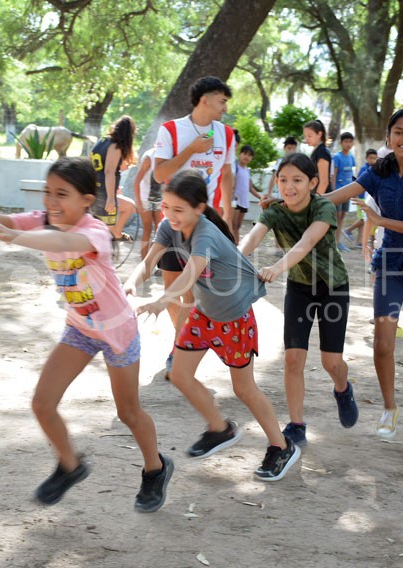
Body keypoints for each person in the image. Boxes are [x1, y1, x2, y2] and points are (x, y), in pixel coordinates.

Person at [0, 157, 173, 512]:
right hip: (80, 328)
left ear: (87, 201)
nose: (51, 202)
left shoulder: (94, 232)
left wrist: (18, 236)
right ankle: (70, 464)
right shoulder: (42, 221)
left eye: (62, 194)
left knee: (129, 412)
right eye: (47, 192)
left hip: (117, 330)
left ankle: (156, 468)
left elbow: (61, 242)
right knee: (42, 404)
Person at [125, 169, 301, 481]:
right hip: (204, 314)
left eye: (178, 209)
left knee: (244, 388)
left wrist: (162, 301)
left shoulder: (205, 234)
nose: (170, 215)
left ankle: (282, 445)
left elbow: (191, 274)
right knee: (178, 374)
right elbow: (149, 260)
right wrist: (130, 282)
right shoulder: (170, 226)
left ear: (199, 208)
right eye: (165, 207)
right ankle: (220, 428)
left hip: (234, 318)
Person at [322, 109, 403, 439]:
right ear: (389, 136)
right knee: (382, 342)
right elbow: (339, 195)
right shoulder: (377, 171)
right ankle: (389, 408)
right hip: (390, 264)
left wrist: (383, 222)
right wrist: (295, 201)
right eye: (399, 132)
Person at [238, 153, 358, 446]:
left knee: (332, 363)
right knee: (293, 359)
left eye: (297, 180)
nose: (288, 187)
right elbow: (252, 237)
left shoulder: (323, 207)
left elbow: (305, 244)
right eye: (282, 180)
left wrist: (276, 268)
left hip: (333, 288)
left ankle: (342, 388)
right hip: (300, 289)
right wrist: (235, 261)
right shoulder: (275, 211)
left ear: (313, 183)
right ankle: (296, 425)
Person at [153, 76, 237, 375]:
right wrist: (190, 150)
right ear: (204, 100)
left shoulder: (226, 134)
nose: (225, 106)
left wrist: (227, 213)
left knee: (196, 292)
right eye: (222, 100)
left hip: (207, 224)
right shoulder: (172, 130)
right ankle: (181, 345)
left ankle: (182, 350)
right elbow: (160, 174)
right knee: (173, 289)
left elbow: (226, 173)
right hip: (173, 222)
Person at [90, 115, 137, 242]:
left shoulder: (102, 141)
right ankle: (114, 235)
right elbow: (109, 172)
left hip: (95, 189)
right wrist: (110, 198)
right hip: (103, 194)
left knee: (129, 206)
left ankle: (117, 232)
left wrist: (114, 190)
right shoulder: (115, 147)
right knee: (104, 235)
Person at [133, 147, 163, 259]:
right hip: (146, 197)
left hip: (160, 198)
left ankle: (155, 260)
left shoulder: (169, 155)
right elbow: (136, 182)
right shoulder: (149, 157)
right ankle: (144, 260)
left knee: (160, 230)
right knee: (147, 228)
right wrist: (138, 203)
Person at [231, 145, 262, 244]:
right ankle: (236, 245)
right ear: (240, 154)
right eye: (245, 154)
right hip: (235, 200)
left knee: (238, 225)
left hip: (244, 201)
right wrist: (232, 193)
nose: (246, 157)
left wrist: (261, 197)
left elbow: (250, 188)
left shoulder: (247, 171)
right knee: (233, 225)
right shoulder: (235, 167)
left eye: (249, 155)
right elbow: (231, 182)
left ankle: (236, 245)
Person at [331, 132, 357, 250]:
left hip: (348, 192)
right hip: (338, 192)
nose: (348, 144)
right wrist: (333, 190)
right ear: (341, 143)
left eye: (350, 141)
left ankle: (338, 242)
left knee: (342, 216)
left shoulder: (351, 157)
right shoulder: (337, 157)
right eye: (346, 141)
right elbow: (334, 174)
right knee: (336, 216)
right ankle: (334, 242)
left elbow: (351, 174)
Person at [303, 120, 332, 197]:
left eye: (309, 136)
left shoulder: (322, 152)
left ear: (319, 134)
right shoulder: (317, 151)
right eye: (305, 136)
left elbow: (324, 182)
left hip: (322, 198)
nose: (306, 139)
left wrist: (316, 202)